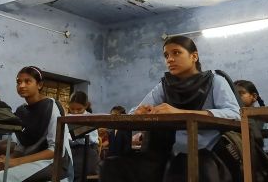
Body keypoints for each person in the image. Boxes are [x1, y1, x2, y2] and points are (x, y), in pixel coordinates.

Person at [100, 35, 241, 182]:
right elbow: (134, 111)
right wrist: (139, 112)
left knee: (185, 166)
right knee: (112, 166)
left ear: (194, 56)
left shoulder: (215, 81)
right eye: (166, 55)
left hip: (207, 154)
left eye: (176, 53)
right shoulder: (164, 86)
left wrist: (181, 113)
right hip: (166, 154)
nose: (170, 59)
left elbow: (235, 114)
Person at [0, 66, 73, 182]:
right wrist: (6, 160)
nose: (21, 85)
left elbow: (56, 150)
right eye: (18, 82)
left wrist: (15, 162)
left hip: (53, 162)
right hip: (28, 159)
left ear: (39, 85)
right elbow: (21, 148)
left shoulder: (51, 106)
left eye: (27, 81)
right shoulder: (21, 111)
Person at [68, 91, 99, 181]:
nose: (75, 112)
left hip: (87, 150)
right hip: (70, 150)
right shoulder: (67, 117)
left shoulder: (91, 119)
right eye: (72, 109)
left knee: (79, 174)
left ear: (85, 106)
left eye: (79, 109)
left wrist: (72, 136)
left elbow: (90, 139)